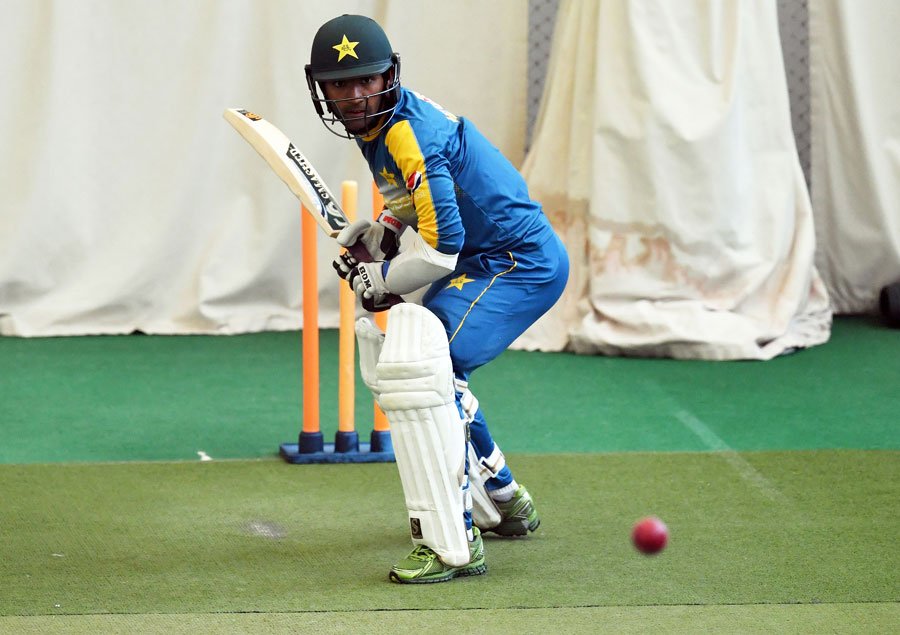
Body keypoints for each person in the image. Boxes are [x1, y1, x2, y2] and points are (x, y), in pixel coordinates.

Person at [305, 14, 569, 584]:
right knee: (431, 369)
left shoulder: (407, 132)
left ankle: (458, 538)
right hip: (485, 257)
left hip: (517, 263)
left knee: (426, 368)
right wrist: (382, 234)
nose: (354, 95)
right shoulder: (379, 127)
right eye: (340, 84)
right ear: (321, 87)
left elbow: (444, 251)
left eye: (366, 81)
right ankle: (503, 496)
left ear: (389, 76)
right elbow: (415, 205)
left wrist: (381, 281)